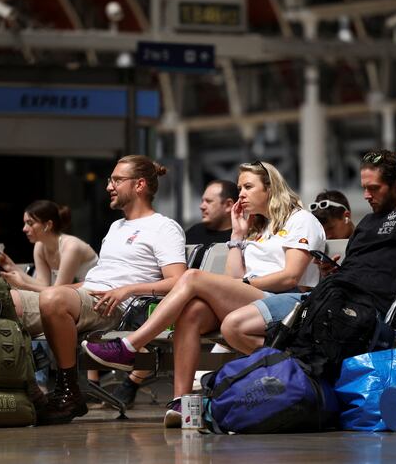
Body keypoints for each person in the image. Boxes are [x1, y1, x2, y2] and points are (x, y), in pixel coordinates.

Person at [82, 161, 326, 427]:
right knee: (193, 311)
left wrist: (247, 283)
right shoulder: (257, 227)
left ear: (270, 188)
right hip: (255, 299)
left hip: (289, 301)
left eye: (248, 187)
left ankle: (130, 346)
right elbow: (234, 278)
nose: (241, 193)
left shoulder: (300, 220)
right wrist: (237, 235)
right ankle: (181, 401)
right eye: (240, 187)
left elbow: (290, 276)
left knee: (192, 276)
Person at [221, 150, 396, 355]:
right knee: (234, 327)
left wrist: (393, 158)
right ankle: (293, 364)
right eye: (364, 187)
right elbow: (358, 270)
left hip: (364, 311)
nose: (366, 195)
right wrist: (331, 273)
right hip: (328, 298)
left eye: (374, 188)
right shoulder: (366, 223)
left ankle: (296, 367)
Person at [30, 155, 187, 425]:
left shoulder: (164, 227)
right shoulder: (116, 227)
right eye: (109, 180)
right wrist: (61, 290)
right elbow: (96, 279)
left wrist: (128, 290)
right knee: (6, 301)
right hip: (89, 296)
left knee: (53, 298)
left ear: (139, 185)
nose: (108, 186)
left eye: (116, 180)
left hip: (115, 308)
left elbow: (178, 281)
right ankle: (25, 394)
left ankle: (68, 393)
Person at [113, 179, 238, 408]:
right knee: (169, 309)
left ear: (229, 204)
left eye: (208, 201)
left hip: (215, 304)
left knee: (185, 295)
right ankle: (178, 399)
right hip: (183, 302)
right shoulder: (194, 233)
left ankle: (131, 374)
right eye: (201, 200)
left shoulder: (239, 235)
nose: (201, 206)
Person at [0, 200, 98, 293]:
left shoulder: (71, 247)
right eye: (25, 223)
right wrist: (11, 266)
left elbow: (59, 291)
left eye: (30, 223)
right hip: (69, 296)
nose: (24, 229)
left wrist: (23, 285)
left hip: (94, 296)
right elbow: (42, 283)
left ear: (48, 225)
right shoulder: (40, 246)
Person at [308, 189, 355, 276]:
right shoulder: (317, 246)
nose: (327, 235)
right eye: (321, 231)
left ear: (346, 216)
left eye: (330, 228)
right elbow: (304, 288)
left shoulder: (366, 242)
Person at [184, 180, 238, 244]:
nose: (202, 207)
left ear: (228, 205)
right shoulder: (193, 233)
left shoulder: (242, 238)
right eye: (202, 201)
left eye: (208, 201)